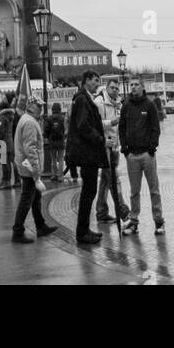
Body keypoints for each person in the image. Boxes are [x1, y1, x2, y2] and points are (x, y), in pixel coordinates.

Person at [119, 78, 164, 236]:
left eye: (136, 84)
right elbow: (122, 128)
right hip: (132, 155)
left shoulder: (149, 105)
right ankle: (134, 222)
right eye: (131, 85)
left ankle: (158, 221)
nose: (133, 87)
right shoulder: (126, 106)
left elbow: (155, 128)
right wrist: (125, 149)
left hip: (147, 154)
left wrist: (152, 147)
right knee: (134, 192)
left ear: (142, 87)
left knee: (154, 190)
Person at [67, 70, 108, 245]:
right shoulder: (83, 99)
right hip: (87, 154)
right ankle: (82, 232)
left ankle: (84, 229)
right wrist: (100, 139)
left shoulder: (83, 98)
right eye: (95, 80)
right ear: (86, 81)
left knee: (89, 192)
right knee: (88, 192)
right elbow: (83, 126)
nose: (97, 83)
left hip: (87, 153)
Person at [11, 98, 58, 243]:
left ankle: (40, 226)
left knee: (35, 198)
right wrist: (36, 172)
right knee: (27, 199)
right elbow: (30, 149)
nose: (41, 109)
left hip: (26, 166)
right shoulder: (30, 122)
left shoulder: (26, 119)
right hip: (29, 168)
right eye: (39, 106)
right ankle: (18, 231)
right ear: (31, 107)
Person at [94, 79, 129, 225]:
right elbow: (94, 123)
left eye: (117, 88)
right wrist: (110, 122)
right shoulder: (99, 102)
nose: (115, 91)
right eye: (112, 88)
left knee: (105, 180)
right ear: (106, 88)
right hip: (104, 146)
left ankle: (101, 211)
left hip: (114, 145)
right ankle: (124, 213)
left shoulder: (118, 103)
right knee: (114, 179)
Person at [0, 96, 16, 190]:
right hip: (10, 141)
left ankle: (6, 182)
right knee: (8, 162)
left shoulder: (3, 118)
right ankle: (6, 180)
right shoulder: (11, 116)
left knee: (4, 163)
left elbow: (0, 132)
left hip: (3, 143)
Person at [44, 102, 67, 182]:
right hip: (61, 141)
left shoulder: (49, 118)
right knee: (60, 159)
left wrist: (46, 137)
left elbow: (46, 129)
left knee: (53, 159)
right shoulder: (62, 118)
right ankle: (60, 176)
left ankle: (54, 175)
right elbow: (65, 129)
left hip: (52, 141)